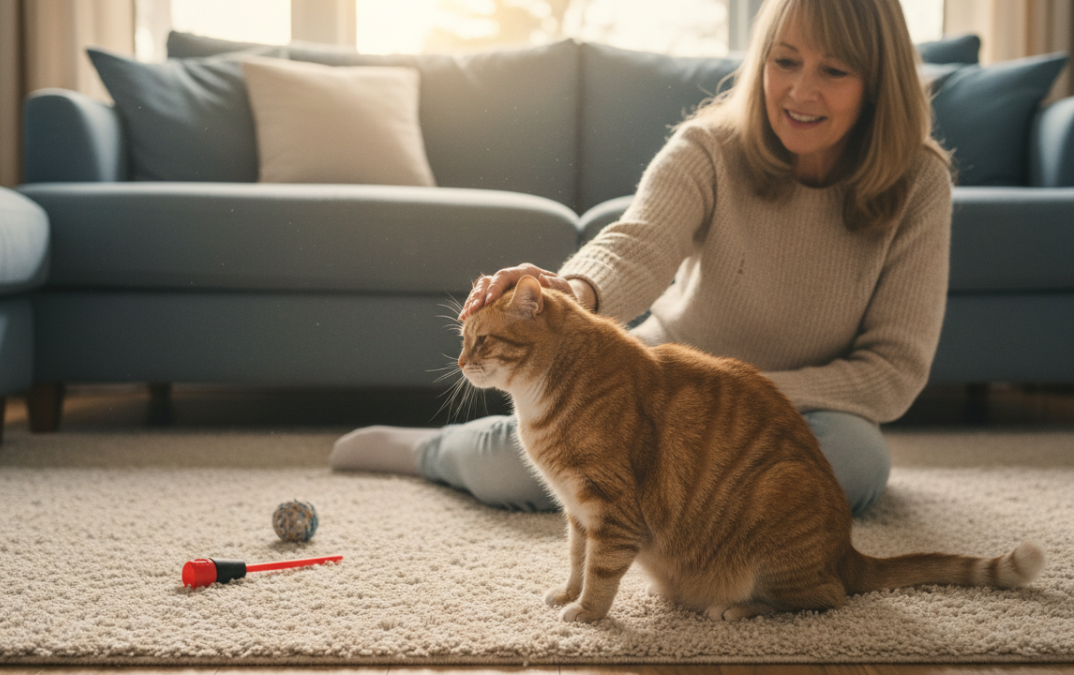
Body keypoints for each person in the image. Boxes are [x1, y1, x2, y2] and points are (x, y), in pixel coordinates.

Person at [330, 0, 954, 518]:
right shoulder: (709, 147)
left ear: (879, 84)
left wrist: (740, 400)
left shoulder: (921, 182)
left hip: (804, 405)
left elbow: (893, 370)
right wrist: (566, 294)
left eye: (834, 70)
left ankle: (672, 509)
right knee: (510, 470)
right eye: (784, 61)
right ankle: (431, 450)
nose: (800, 90)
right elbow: (638, 243)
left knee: (856, 464)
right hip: (663, 385)